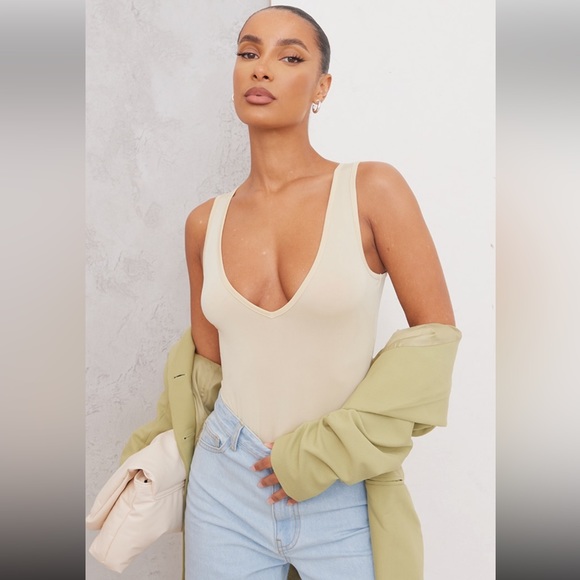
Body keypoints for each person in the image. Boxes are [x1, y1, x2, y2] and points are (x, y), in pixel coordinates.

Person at [183, 5, 455, 579]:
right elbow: (206, 373)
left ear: (322, 87)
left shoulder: (372, 190)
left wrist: (322, 453)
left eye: (289, 57)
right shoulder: (204, 223)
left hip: (343, 487)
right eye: (248, 52)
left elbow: (434, 344)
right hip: (225, 486)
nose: (261, 68)